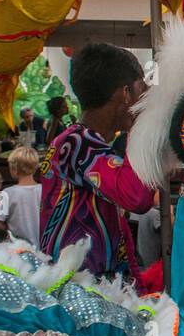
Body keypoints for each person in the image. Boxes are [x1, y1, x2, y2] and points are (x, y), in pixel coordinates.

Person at [39, 43, 154, 287]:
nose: (144, 98)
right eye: (141, 88)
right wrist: (141, 125)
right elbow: (136, 197)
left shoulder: (82, 142)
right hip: (80, 290)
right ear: (125, 93)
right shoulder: (77, 143)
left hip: (92, 285)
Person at [0, 146, 42, 245]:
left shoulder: (7, 193)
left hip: (18, 248)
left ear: (14, 169)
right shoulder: (44, 190)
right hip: (44, 247)